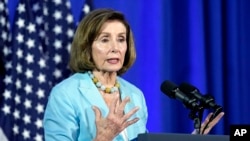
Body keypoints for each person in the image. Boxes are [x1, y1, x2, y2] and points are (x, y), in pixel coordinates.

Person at [43, 8, 224, 141]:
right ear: (86, 47)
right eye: (105, 39)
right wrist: (102, 139)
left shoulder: (134, 95)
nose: (115, 48)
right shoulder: (65, 94)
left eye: (121, 39)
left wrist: (195, 138)